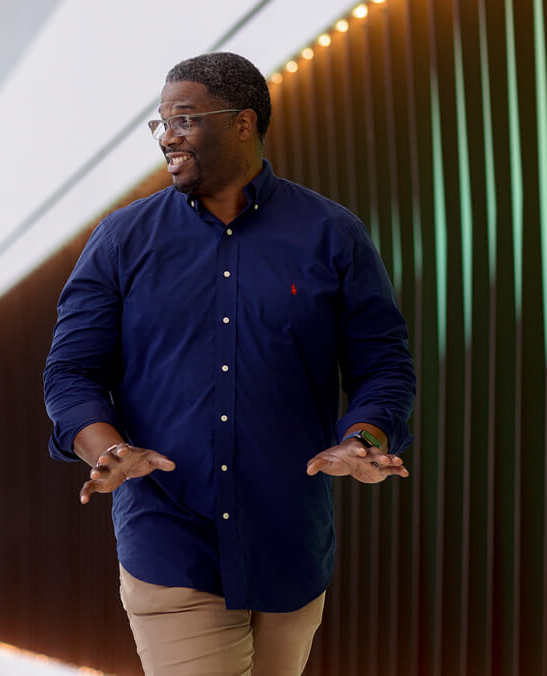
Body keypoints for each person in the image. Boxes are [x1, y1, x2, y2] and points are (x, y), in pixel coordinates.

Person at [43, 52, 416, 676]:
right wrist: (106, 448)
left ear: (244, 123)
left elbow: (383, 362)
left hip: (289, 539)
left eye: (184, 119)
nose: (167, 136)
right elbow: (70, 371)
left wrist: (364, 437)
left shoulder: (332, 234)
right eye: (161, 122)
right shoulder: (122, 240)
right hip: (169, 536)